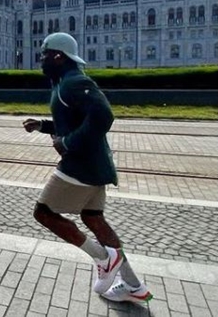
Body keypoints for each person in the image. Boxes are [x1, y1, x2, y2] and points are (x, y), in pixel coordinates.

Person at [23, 32, 152, 304]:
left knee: (43, 213)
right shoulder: (63, 84)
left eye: (45, 55)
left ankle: (104, 258)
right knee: (93, 218)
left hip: (79, 164)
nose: (41, 60)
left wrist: (68, 142)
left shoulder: (74, 82)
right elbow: (74, 120)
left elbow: (103, 115)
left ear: (58, 56)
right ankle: (132, 285)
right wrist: (44, 126)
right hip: (93, 164)